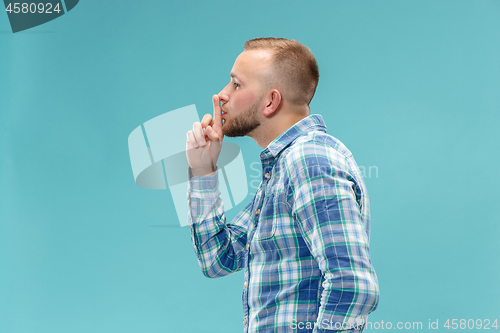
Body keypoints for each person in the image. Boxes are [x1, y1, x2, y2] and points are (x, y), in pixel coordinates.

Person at [185, 37, 379, 333]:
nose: (222, 95)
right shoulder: (282, 169)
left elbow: (352, 286)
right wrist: (203, 170)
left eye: (236, 84)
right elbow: (218, 258)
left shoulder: (310, 160)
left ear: (270, 101)